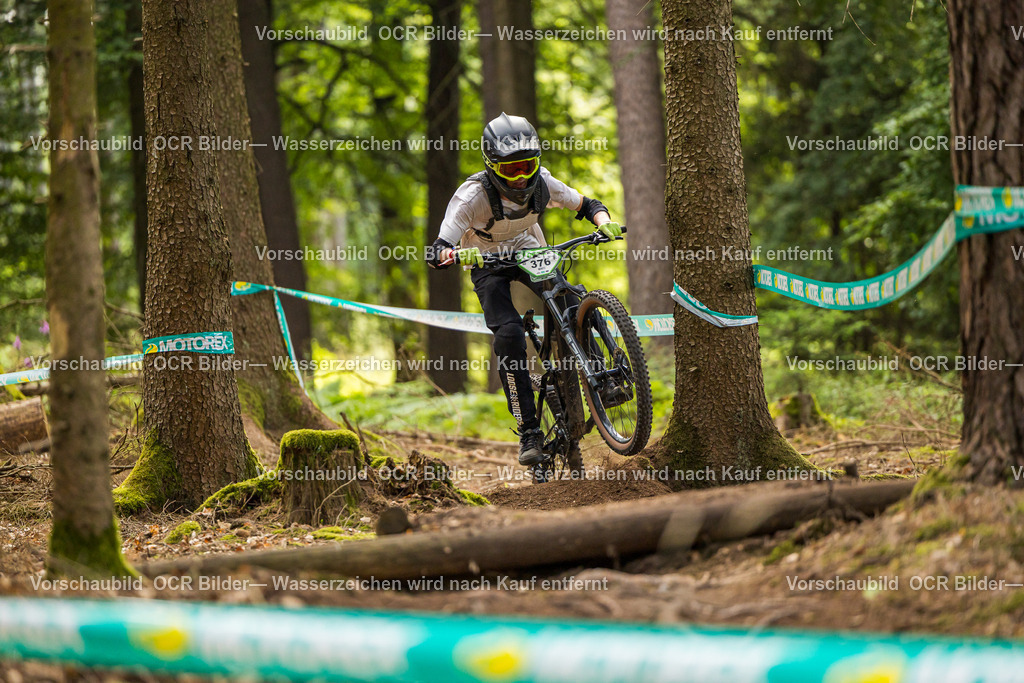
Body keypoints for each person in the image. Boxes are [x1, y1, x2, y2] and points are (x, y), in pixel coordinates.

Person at [427, 113, 621, 466]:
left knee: (569, 297)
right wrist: (453, 253)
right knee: (509, 335)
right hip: (487, 261)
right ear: (492, 167)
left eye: (527, 166)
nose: (520, 177)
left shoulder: (544, 183)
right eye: (510, 170)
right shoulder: (471, 197)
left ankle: (603, 378)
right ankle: (529, 431)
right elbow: (436, 250)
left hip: (530, 249)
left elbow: (587, 205)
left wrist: (604, 224)